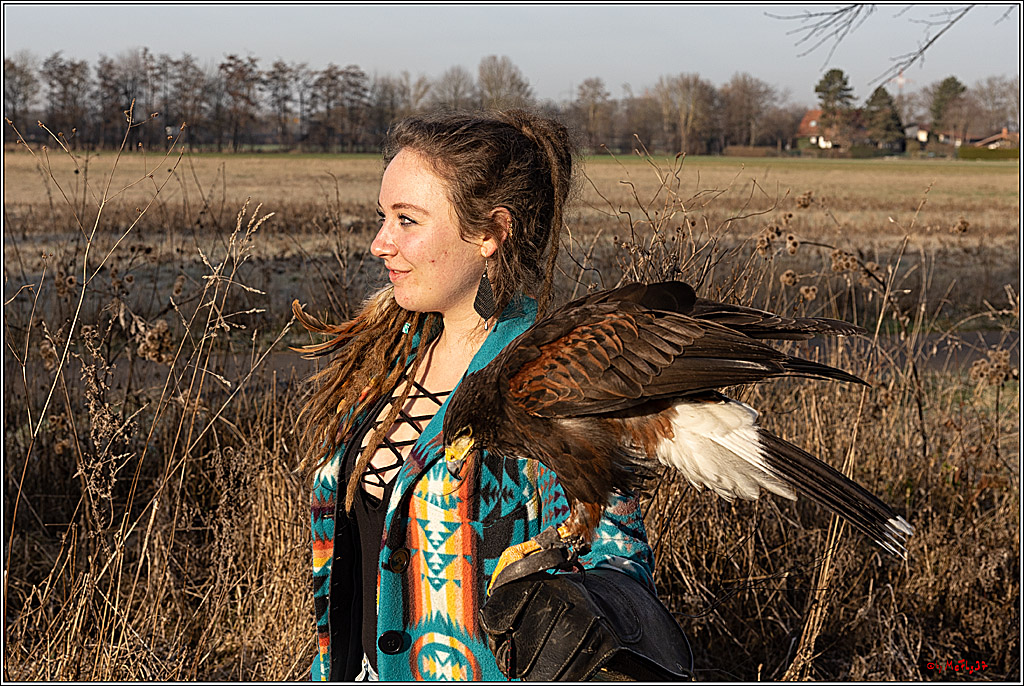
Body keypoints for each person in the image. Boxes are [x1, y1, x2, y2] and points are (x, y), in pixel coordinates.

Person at [294, 110, 683, 681]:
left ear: (490, 233)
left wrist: (578, 610)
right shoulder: (388, 357)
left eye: (407, 220)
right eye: (384, 217)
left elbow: (616, 564)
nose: (380, 243)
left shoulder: (543, 380)